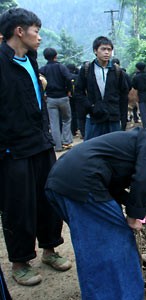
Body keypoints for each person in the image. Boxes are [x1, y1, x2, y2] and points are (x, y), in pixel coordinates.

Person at [45, 122, 146, 300]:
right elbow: (144, 177)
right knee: (118, 243)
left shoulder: (129, 147)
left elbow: (114, 187)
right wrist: (135, 215)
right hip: (83, 183)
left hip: (60, 184)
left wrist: (132, 200)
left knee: (94, 248)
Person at [0, 8, 72, 287]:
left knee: (47, 198)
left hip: (41, 143)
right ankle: (20, 261)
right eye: (35, 31)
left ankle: (50, 250)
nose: (39, 37)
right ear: (20, 31)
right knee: (18, 205)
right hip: (12, 149)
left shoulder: (30, 60)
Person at [74, 36, 128, 140]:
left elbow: (123, 94)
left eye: (109, 49)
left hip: (113, 117)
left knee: (115, 148)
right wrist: (91, 106)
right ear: (95, 51)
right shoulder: (87, 69)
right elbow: (78, 92)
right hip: (94, 117)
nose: (107, 52)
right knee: (92, 149)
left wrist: (122, 118)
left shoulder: (117, 71)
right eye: (103, 49)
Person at [39, 48, 74, 152]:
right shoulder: (61, 67)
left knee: (54, 123)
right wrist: (69, 90)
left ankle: (57, 146)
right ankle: (66, 142)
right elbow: (68, 79)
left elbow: (40, 82)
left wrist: (43, 94)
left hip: (50, 99)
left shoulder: (43, 69)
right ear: (56, 56)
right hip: (63, 97)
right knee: (66, 119)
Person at [111, 58, 132, 131]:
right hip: (123, 96)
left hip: (113, 97)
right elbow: (130, 85)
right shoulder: (124, 73)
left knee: (114, 112)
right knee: (123, 112)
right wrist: (125, 92)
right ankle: (123, 127)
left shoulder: (109, 73)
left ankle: (115, 128)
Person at [66, 63, 81, 138]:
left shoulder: (65, 77)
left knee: (70, 114)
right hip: (77, 98)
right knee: (77, 113)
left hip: (68, 98)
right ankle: (78, 129)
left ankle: (72, 130)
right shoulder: (77, 77)